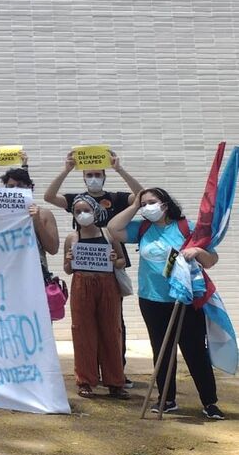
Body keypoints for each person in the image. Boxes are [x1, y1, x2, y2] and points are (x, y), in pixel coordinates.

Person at [108, 188, 225, 420]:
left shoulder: (186, 227)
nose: (147, 207)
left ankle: (209, 402)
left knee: (194, 351)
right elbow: (113, 229)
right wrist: (134, 206)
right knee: (161, 349)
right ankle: (166, 399)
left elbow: (211, 259)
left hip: (184, 300)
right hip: (151, 300)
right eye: (144, 204)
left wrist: (197, 250)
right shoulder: (142, 229)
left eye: (152, 202)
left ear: (165, 204)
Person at [44, 149, 142, 388]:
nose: (93, 178)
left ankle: (116, 374)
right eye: (89, 174)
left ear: (104, 176)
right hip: (82, 276)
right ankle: (87, 377)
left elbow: (141, 195)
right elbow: (49, 196)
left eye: (98, 174)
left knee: (114, 325)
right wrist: (66, 169)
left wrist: (119, 168)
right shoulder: (75, 201)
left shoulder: (115, 199)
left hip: (109, 273)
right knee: (84, 328)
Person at [62, 195, 128, 399]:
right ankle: (85, 381)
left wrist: (114, 259)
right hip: (82, 284)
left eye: (86, 210)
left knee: (111, 331)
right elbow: (67, 270)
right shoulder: (72, 238)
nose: (83, 214)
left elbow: (122, 261)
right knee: (82, 331)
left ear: (95, 211)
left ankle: (115, 381)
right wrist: (69, 260)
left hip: (107, 284)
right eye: (78, 211)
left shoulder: (109, 234)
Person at [0, 156, 59, 271]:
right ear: (5, 189)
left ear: (30, 188)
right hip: (4, 270)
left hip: (34, 272)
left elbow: (53, 249)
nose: (15, 190)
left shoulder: (44, 214)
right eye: (11, 187)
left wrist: (37, 221)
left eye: (20, 186)